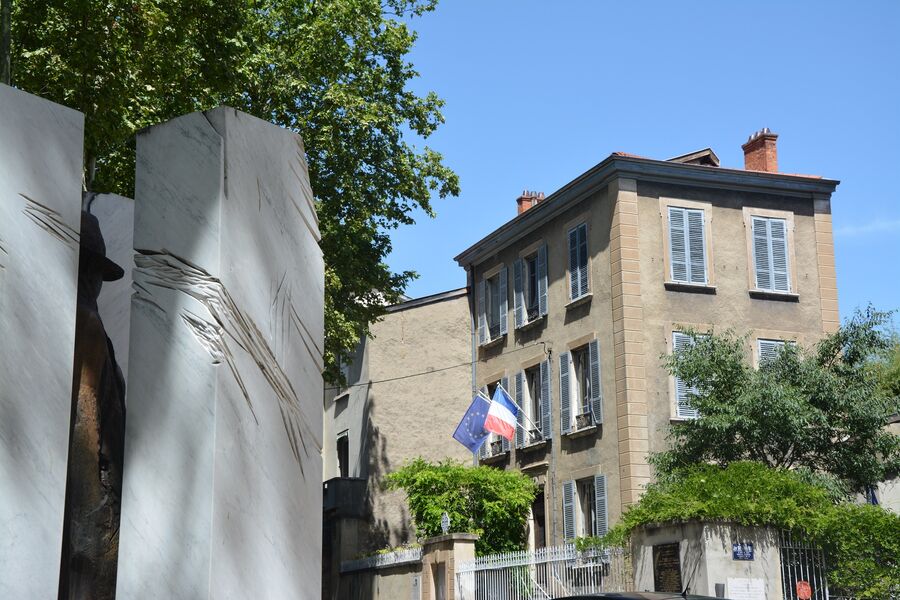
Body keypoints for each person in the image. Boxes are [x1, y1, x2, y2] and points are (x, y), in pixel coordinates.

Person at [58, 211, 127, 600]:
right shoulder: (84, 323)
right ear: (87, 270)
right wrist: (97, 518)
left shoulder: (87, 322)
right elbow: (87, 426)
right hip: (93, 504)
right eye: (97, 271)